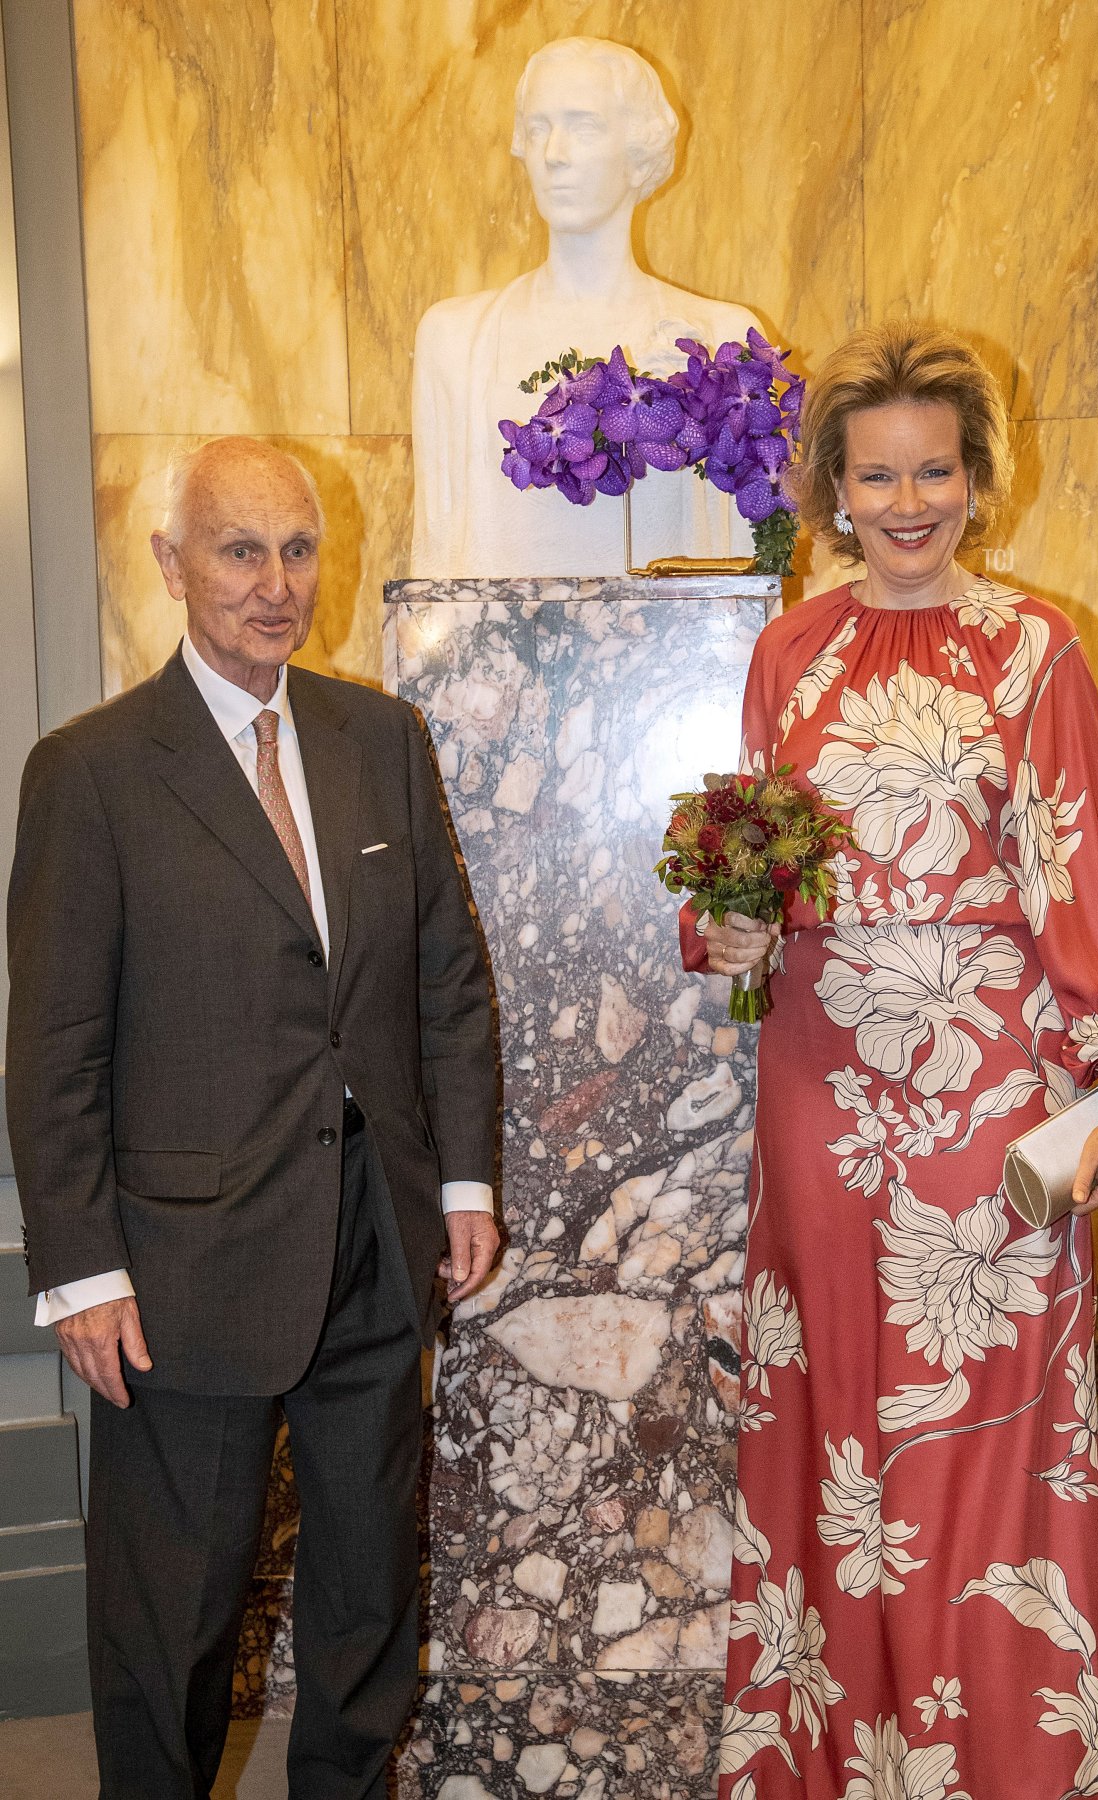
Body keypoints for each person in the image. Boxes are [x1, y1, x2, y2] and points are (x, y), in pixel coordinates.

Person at [687, 324, 1098, 1798]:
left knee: (987, 1449)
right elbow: (757, 884)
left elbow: (1080, 876)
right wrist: (733, 940)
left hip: (988, 1097)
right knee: (840, 1440)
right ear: (833, 487)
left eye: (937, 472)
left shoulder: (1038, 648)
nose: (909, 503)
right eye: (877, 475)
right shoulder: (789, 650)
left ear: (977, 477)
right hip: (822, 1099)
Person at [5, 437, 500, 1799]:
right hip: (178, 1274)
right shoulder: (92, 772)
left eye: (296, 549)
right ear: (170, 565)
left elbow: (446, 979)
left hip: (375, 1254)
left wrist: (463, 1185)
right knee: (170, 1622)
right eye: (239, 551)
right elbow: (51, 1050)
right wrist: (81, 1269)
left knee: (365, 1603)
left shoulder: (380, 740)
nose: (275, 585)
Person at [410, 35, 761, 577]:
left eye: (584, 126)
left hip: (672, 655)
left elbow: (746, 583)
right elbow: (431, 569)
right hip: (498, 658)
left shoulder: (722, 337)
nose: (554, 154)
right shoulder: (455, 339)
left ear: (639, 151)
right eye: (538, 128)